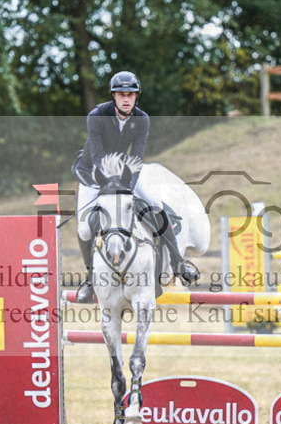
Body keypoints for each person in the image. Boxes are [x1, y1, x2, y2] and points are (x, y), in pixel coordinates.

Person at [72, 70, 199, 303]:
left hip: (125, 172)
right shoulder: (96, 116)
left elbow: (137, 157)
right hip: (92, 174)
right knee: (84, 229)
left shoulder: (142, 119)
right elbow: (98, 157)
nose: (126, 98)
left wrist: (127, 186)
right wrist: (111, 186)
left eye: (131, 94)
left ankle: (178, 262)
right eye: (121, 94)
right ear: (113, 96)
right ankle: (90, 279)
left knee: (154, 204)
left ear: (136, 96)